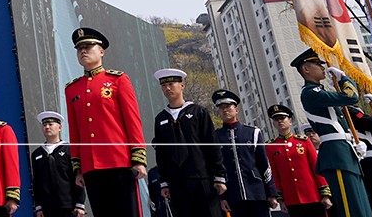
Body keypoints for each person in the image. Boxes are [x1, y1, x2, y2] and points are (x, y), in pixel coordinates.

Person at [63, 27, 146, 217]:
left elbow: (132, 121)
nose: (83, 51)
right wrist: (78, 168)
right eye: (79, 48)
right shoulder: (72, 89)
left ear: (101, 51)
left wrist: (138, 158)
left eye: (88, 46)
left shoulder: (118, 80)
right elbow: (75, 131)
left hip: (119, 161)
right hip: (91, 166)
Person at [292, 48, 372, 217]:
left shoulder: (320, 92)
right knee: (350, 207)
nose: (323, 68)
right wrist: (343, 78)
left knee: (361, 205)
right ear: (306, 69)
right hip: (336, 155)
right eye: (317, 64)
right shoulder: (311, 93)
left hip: (344, 151)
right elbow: (351, 96)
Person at [149, 68, 225, 217]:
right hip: (176, 181)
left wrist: (219, 176)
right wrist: (164, 181)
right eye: (164, 86)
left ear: (182, 85)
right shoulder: (161, 118)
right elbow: (161, 152)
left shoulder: (199, 112)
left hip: (202, 177)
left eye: (171, 84)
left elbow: (212, 145)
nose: (167, 88)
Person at [212, 89, 278, 216]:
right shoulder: (215, 137)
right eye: (221, 108)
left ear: (236, 110)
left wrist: (271, 193)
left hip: (257, 192)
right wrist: (222, 197)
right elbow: (216, 168)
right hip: (233, 194)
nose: (225, 110)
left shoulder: (253, 132)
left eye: (227, 106)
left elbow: (264, 163)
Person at [265, 103, 332, 217]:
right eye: (276, 119)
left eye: (282, 118)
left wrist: (325, 194)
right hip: (291, 198)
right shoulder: (271, 146)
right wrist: (281, 199)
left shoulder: (304, 142)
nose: (280, 121)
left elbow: (316, 168)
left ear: (290, 121)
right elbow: (275, 175)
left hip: (312, 194)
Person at [29, 111, 85, 217]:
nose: (47, 127)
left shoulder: (70, 150)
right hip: (47, 208)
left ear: (59, 127)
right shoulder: (37, 154)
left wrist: (80, 203)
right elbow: (36, 181)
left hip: (68, 206)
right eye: (44, 125)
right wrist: (38, 206)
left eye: (51, 124)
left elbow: (77, 177)